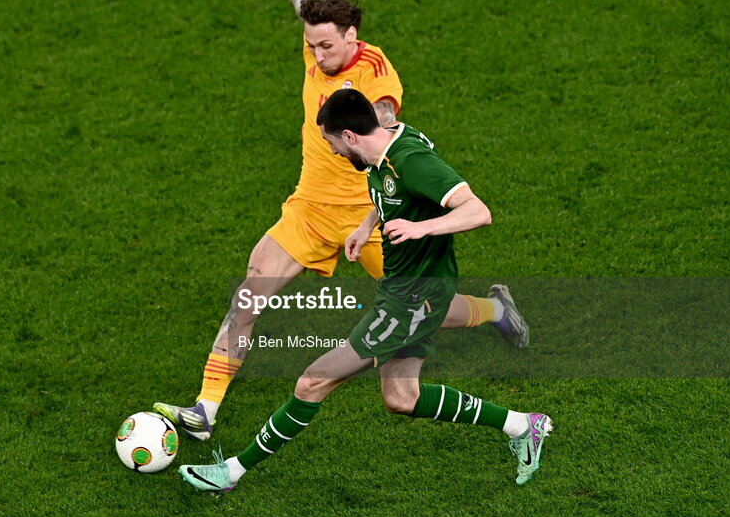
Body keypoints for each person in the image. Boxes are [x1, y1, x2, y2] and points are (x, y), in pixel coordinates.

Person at [154, 0, 528, 441]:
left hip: (370, 217)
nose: (317, 54)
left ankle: (495, 311)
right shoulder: (318, 47)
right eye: (311, 45)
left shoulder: (374, 73)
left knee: (430, 306)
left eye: (327, 45)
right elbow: (310, 22)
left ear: (352, 36)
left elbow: (384, 126)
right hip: (308, 209)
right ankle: (205, 411)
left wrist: (378, 131)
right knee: (248, 295)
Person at [178, 89, 552, 491]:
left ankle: (231, 471)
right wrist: (366, 225)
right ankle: (522, 425)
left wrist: (420, 228)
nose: (334, 152)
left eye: (333, 143)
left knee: (312, 381)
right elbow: (391, 191)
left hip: (411, 299)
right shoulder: (383, 146)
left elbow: (479, 211)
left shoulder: (412, 161)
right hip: (409, 290)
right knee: (401, 398)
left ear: (350, 136)